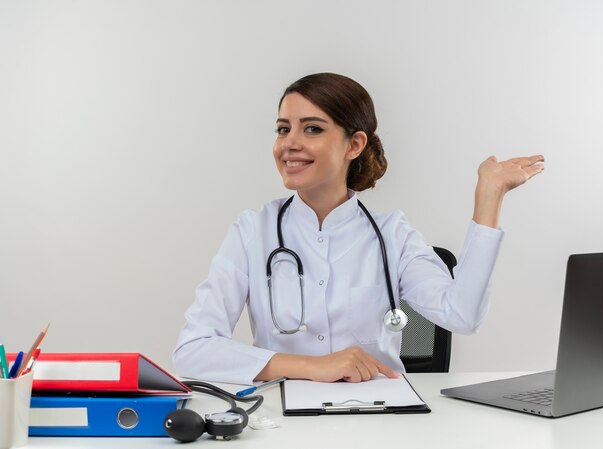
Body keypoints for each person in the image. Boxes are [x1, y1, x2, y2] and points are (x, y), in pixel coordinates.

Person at [172, 73, 544, 385]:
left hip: (380, 417)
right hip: (283, 420)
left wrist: (489, 197)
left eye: (312, 128)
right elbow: (192, 350)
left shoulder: (391, 234)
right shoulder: (254, 230)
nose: (289, 144)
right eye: (283, 129)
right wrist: (314, 367)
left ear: (354, 144)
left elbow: (462, 315)